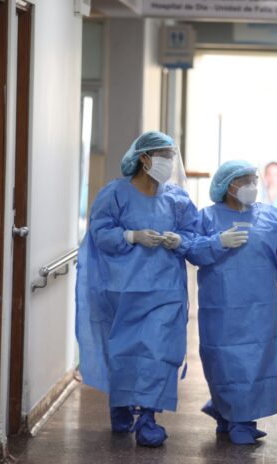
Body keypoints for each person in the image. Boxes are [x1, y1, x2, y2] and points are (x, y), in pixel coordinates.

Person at [75, 131, 197, 447]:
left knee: (159, 352)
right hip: (124, 290)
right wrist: (131, 236)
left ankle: (147, 418)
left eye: (171, 157)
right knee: (125, 353)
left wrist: (180, 240)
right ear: (144, 158)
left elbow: (194, 235)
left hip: (165, 291)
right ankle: (121, 403)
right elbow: (100, 233)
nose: (169, 163)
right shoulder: (115, 194)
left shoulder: (177, 200)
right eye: (164, 156)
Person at [186, 160, 277, 445]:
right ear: (228, 186)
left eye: (254, 180)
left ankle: (243, 420)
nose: (252, 186)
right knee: (223, 360)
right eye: (245, 181)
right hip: (221, 305)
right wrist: (217, 243)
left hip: (260, 306)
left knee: (256, 361)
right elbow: (190, 250)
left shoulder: (270, 217)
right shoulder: (206, 218)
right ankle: (227, 411)